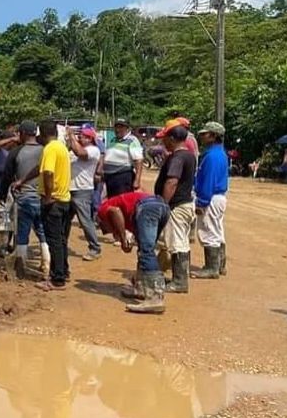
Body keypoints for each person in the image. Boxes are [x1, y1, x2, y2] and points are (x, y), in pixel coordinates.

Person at [98, 191, 170, 314]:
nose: (110, 232)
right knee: (144, 249)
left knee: (146, 251)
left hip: (146, 207)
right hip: (161, 206)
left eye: (107, 230)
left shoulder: (102, 210)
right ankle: (141, 288)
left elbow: (115, 211)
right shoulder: (129, 216)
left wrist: (123, 239)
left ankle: (155, 298)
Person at [1, 121, 50, 279]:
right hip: (43, 198)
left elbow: (7, 176)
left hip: (24, 198)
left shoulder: (16, 152)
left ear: (22, 133)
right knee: (42, 231)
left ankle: (20, 267)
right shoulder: (45, 151)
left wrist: (3, 195)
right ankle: (46, 265)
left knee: (22, 232)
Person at [154, 120, 197, 294]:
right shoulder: (188, 155)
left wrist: (163, 204)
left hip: (177, 206)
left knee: (177, 243)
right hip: (184, 203)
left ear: (172, 138)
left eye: (165, 138)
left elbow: (172, 182)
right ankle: (178, 277)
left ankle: (180, 281)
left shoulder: (178, 158)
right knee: (180, 241)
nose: (162, 141)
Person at [37, 120, 71, 291]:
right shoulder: (61, 147)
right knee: (61, 239)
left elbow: (48, 173)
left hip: (54, 201)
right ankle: (63, 271)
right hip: (64, 199)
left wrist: (48, 197)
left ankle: (57, 279)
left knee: (54, 240)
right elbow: (41, 169)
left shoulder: (49, 149)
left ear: (43, 134)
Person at [192, 122, 229, 279]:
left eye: (205, 134)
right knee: (217, 231)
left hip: (210, 198)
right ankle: (219, 265)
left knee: (208, 232)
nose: (202, 136)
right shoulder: (219, 153)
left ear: (213, 136)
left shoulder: (212, 156)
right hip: (217, 197)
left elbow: (208, 181)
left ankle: (211, 268)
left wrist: (201, 202)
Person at [67, 126, 102, 261]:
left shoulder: (93, 150)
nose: (80, 137)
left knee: (85, 220)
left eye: (83, 136)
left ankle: (95, 248)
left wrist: (71, 136)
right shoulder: (75, 149)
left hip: (82, 189)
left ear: (90, 139)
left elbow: (80, 153)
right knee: (65, 220)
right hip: (70, 188)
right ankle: (62, 244)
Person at [102, 118, 144, 198]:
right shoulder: (113, 140)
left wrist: (137, 180)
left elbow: (139, 160)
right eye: (116, 127)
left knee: (122, 201)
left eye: (121, 127)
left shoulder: (132, 140)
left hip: (123, 177)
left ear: (127, 129)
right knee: (112, 201)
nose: (118, 130)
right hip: (110, 177)